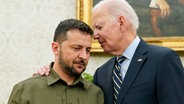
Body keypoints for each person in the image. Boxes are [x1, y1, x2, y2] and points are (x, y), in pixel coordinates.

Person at [37, 0, 184, 104]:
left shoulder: (163, 60)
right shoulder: (102, 73)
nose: (95, 35)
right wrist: (50, 70)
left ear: (121, 23)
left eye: (99, 27)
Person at [7, 19, 104, 104]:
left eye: (87, 50)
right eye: (76, 48)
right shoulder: (25, 90)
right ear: (56, 48)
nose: (84, 56)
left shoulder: (95, 94)